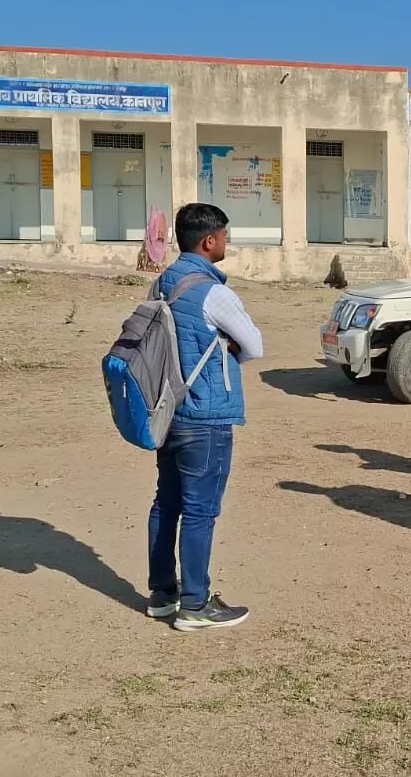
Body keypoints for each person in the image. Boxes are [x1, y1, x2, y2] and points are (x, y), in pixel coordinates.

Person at [145, 202, 264, 631]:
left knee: (166, 502)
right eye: (225, 236)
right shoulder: (215, 293)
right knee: (199, 512)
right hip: (206, 417)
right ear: (209, 241)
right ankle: (195, 605)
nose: (227, 242)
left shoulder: (162, 284)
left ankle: (163, 594)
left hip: (168, 412)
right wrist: (228, 349)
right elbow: (255, 345)